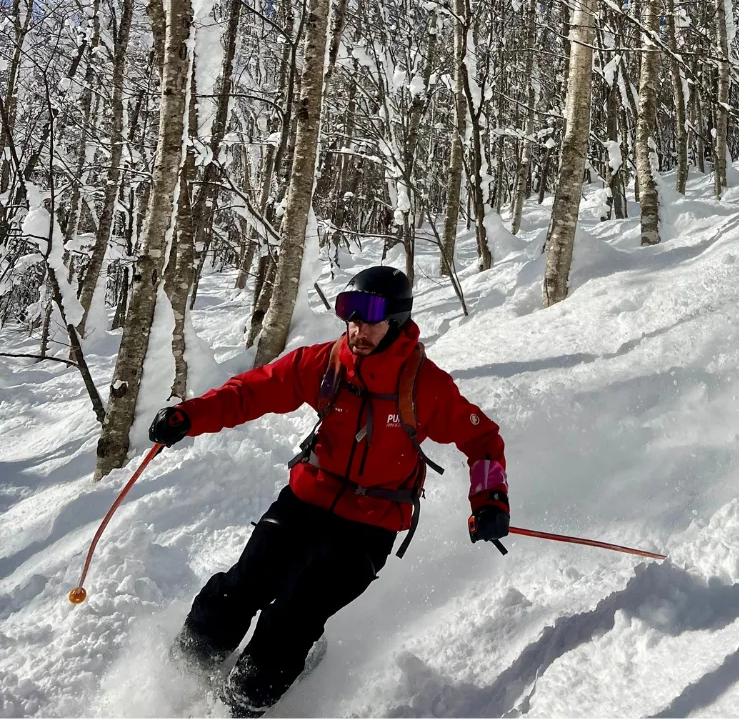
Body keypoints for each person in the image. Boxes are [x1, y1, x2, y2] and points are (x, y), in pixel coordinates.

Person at [147, 266, 509, 717]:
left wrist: (489, 499)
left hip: (370, 525)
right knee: (240, 588)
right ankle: (180, 679)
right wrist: (190, 415)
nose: (356, 328)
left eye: (369, 318)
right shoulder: (326, 363)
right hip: (306, 502)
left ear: (396, 320)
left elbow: (483, 440)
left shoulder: (424, 386)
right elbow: (253, 391)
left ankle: (233, 710)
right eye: (349, 316)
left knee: (292, 617)